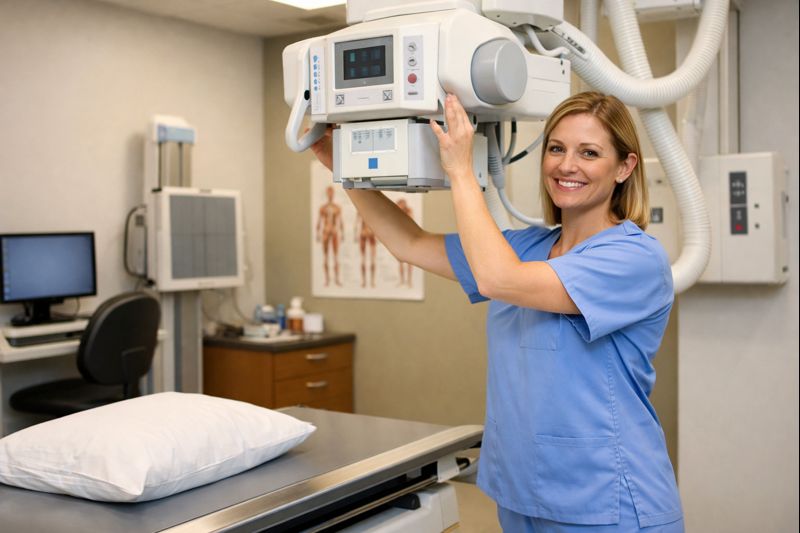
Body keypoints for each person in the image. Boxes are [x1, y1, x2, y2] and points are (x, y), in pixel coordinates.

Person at [311, 91, 683, 532]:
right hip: (522, 492)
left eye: (589, 153)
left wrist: (460, 171)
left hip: (607, 500)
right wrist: (342, 169)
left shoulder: (633, 259)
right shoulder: (528, 247)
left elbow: (498, 279)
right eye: (556, 148)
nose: (567, 165)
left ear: (625, 167)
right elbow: (409, 244)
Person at [316, 185, 344, 287]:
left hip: (334, 231)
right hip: (326, 232)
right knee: (326, 257)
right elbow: (319, 222)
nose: (330, 194)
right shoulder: (323, 208)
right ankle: (327, 280)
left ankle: (336, 279)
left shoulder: (337, 208)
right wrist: (317, 234)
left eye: (331, 192)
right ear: (327, 194)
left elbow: (340, 221)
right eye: (329, 192)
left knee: (336, 257)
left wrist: (342, 232)